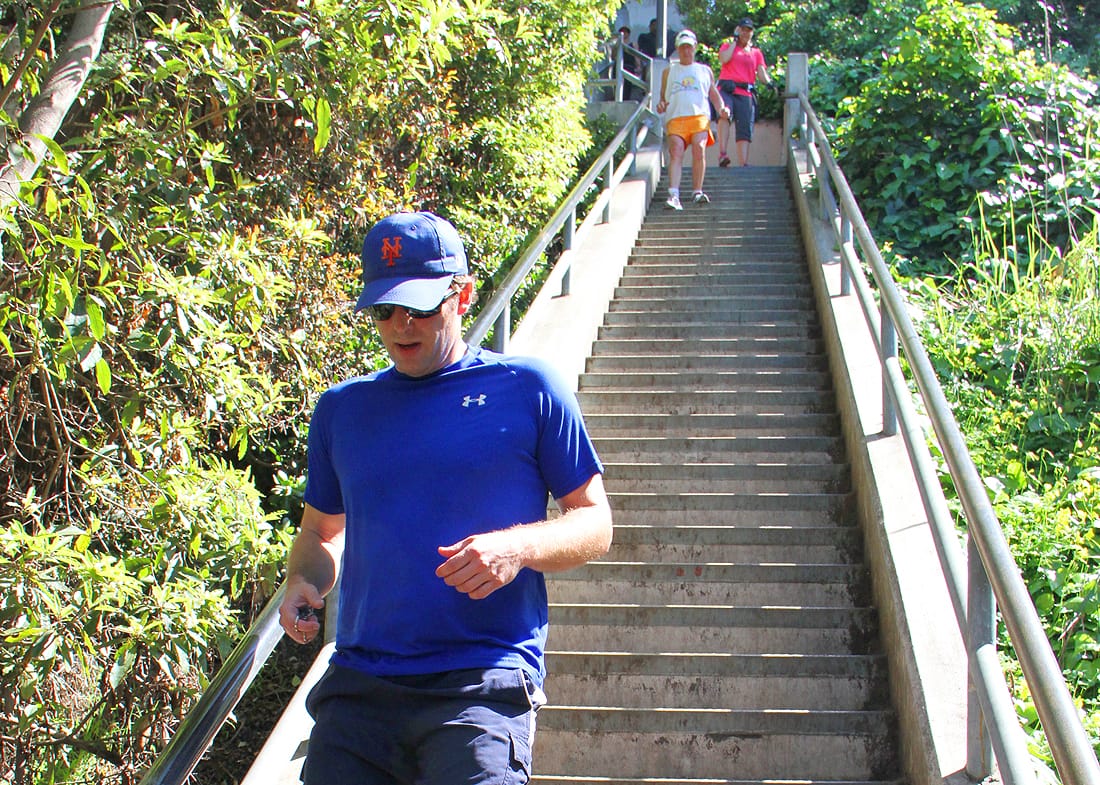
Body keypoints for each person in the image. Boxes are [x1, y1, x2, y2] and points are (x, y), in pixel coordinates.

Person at [279, 210, 614, 784]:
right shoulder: (343, 410)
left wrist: (517, 549)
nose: (400, 325)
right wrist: (303, 581)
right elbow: (321, 533)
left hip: (482, 679)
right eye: (384, 310)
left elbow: (595, 522)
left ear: (462, 295)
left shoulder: (527, 388)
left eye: (419, 307)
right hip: (362, 684)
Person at [656, 29, 730, 209]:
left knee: (699, 148)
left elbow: (713, 93)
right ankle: (673, 195)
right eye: (682, 48)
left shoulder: (704, 71)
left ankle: (697, 191)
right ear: (677, 49)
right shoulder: (669, 71)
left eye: (689, 47)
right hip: (676, 117)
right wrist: (661, 105)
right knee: (676, 150)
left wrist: (721, 108)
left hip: (698, 116)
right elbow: (663, 97)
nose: (686, 51)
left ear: (695, 48)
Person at [716, 18, 777, 167]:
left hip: (745, 92)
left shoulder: (756, 53)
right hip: (727, 89)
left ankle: (744, 162)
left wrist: (771, 83)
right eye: (743, 29)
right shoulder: (727, 46)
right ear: (738, 30)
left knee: (744, 128)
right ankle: (723, 154)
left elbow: (761, 73)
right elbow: (724, 59)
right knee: (724, 114)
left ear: (752, 32)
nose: (745, 32)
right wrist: (734, 42)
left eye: (748, 30)